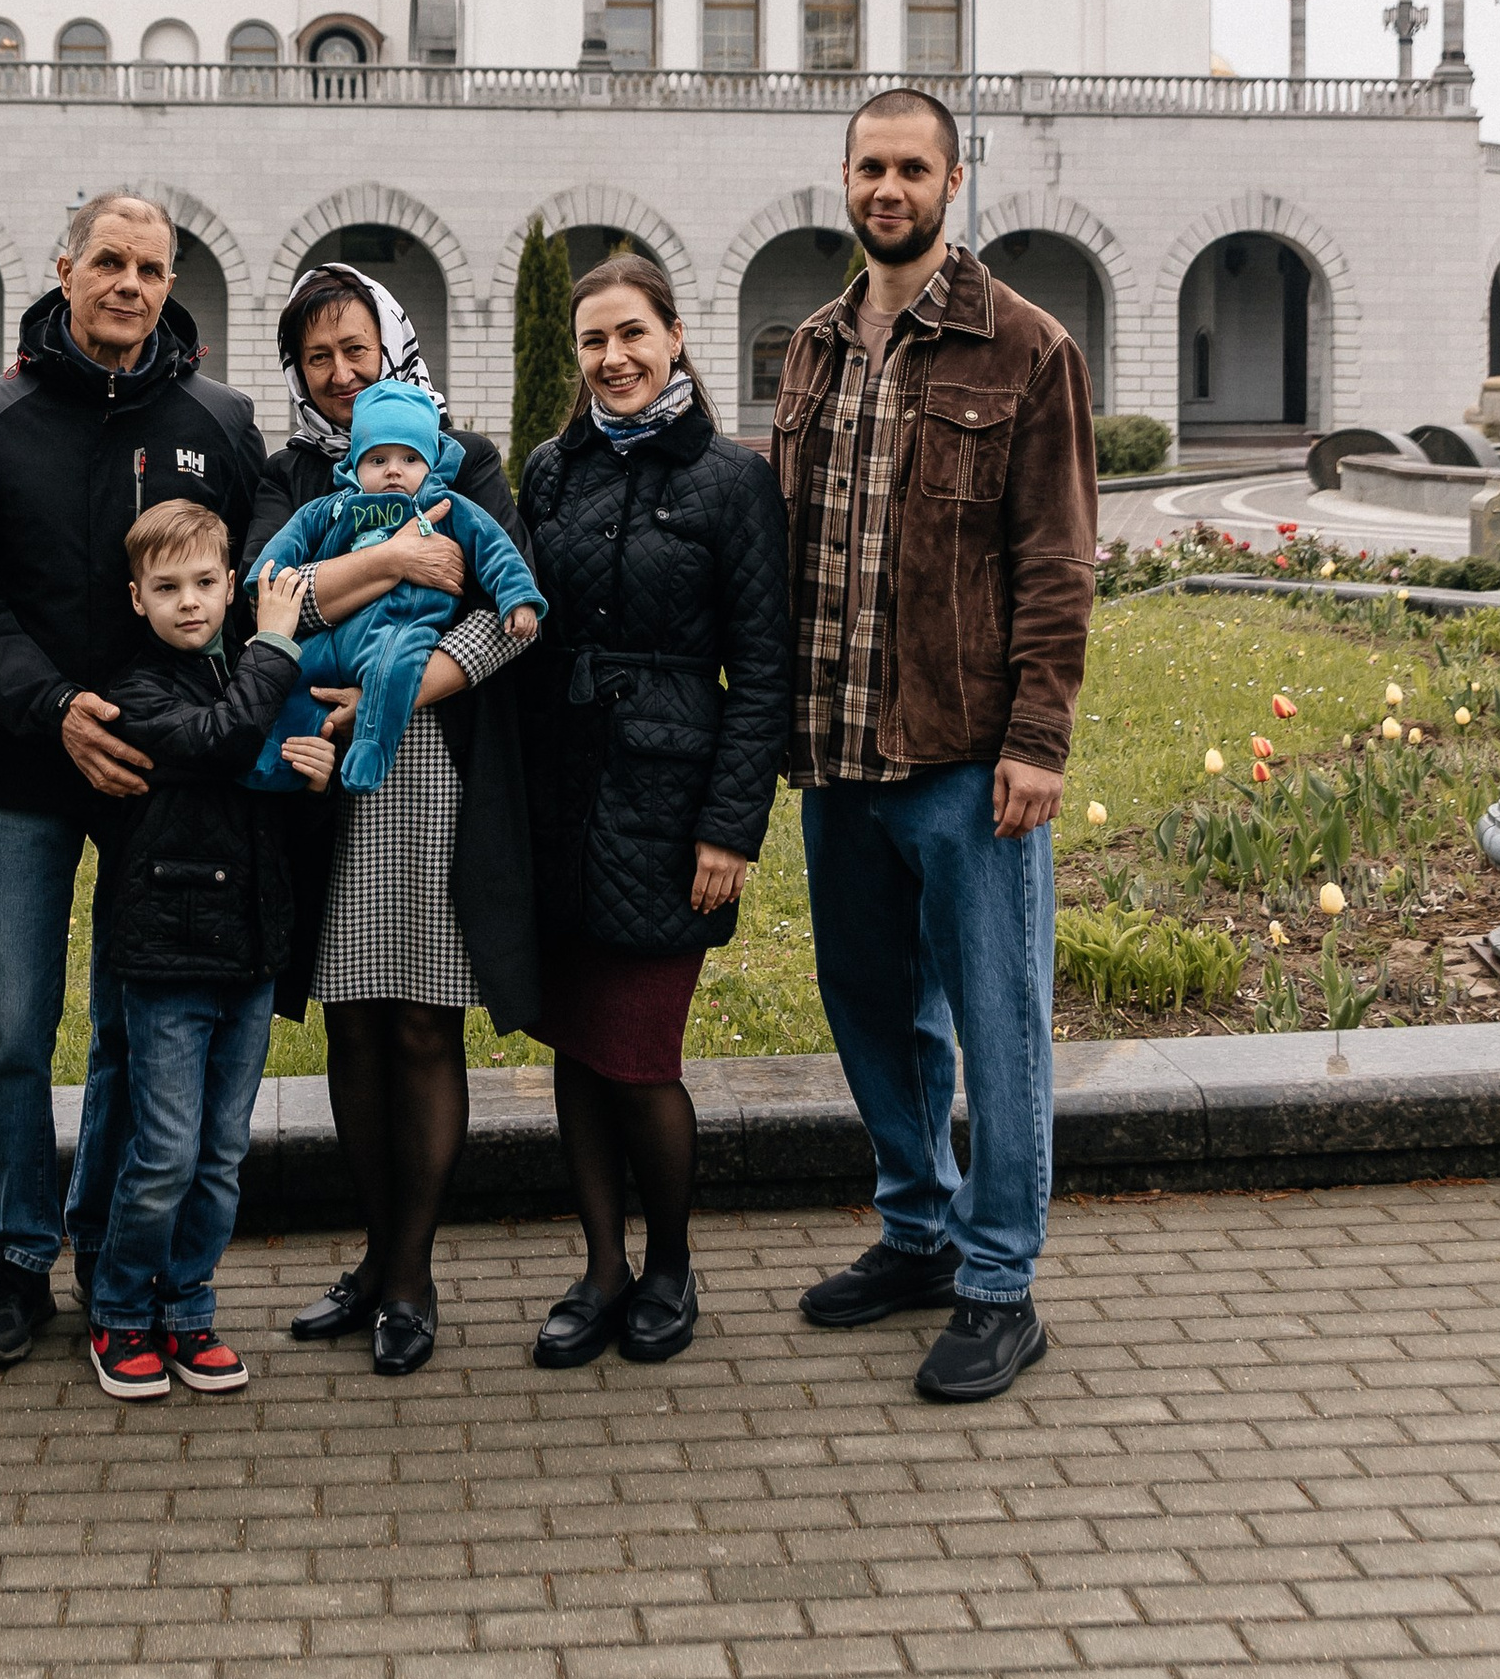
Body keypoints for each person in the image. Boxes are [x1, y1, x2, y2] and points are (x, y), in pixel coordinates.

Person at [773, 91, 1098, 1404]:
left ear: (952, 181)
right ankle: (918, 1230)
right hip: (839, 753)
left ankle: (1001, 1281)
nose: (888, 186)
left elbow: (1058, 560)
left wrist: (1038, 736)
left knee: (996, 1017)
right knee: (869, 1008)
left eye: (912, 167)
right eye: (870, 166)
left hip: (967, 760)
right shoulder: (810, 345)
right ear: (844, 180)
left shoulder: (1025, 347)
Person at [0, 191, 265, 1371]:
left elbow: (247, 581)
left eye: (152, 267)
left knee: (134, 1034)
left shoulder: (218, 418)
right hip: (33, 761)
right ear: (65, 266)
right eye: (110, 263)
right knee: (16, 1024)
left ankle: (109, 1259)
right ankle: (19, 1253)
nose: (130, 285)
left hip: (164, 781)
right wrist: (53, 706)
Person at [250, 266, 538, 1376]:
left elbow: (514, 610)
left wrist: (412, 685)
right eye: (317, 356)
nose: (338, 375)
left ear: (393, 351)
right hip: (325, 780)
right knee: (355, 1021)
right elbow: (270, 600)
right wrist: (394, 563)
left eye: (355, 350)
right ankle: (374, 1258)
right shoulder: (290, 477)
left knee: (422, 1020)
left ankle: (410, 1275)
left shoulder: (466, 466)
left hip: (431, 769)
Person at [518, 256, 787, 1368]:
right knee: (575, 1055)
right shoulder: (549, 469)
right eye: (592, 342)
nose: (613, 359)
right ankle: (600, 1266)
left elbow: (765, 669)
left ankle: (669, 1261)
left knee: (638, 1054)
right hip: (560, 793)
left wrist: (730, 827)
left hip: (670, 806)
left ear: (675, 337)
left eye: (632, 335)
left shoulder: (731, 481)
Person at [79, 508, 338, 1398]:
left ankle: (188, 1308)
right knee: (164, 1153)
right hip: (166, 962)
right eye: (166, 588)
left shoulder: (248, 677)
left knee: (222, 1153)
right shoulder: (138, 689)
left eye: (203, 584)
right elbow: (218, 740)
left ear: (230, 584)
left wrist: (310, 774)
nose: (188, 604)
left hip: (250, 956)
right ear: (137, 599)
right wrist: (275, 642)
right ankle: (118, 1308)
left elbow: (264, 784)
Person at [248, 378, 540, 789]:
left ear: (431, 465)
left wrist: (518, 598)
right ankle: (267, 758)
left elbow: (496, 549)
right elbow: (291, 537)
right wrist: (266, 575)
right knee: (292, 671)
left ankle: (371, 748)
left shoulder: (445, 507)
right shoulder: (335, 506)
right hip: (340, 630)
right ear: (355, 466)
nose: (393, 472)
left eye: (409, 459)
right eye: (377, 460)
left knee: (394, 671)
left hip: (404, 626)